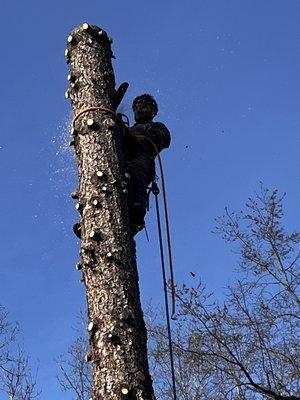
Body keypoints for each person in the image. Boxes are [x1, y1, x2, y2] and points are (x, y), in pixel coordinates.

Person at [125, 94, 171, 234]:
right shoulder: (128, 128)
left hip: (141, 159)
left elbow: (164, 138)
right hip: (123, 161)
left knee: (134, 177)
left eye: (143, 107)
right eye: (137, 107)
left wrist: (142, 138)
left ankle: (136, 215)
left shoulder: (156, 126)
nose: (139, 110)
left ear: (152, 111)